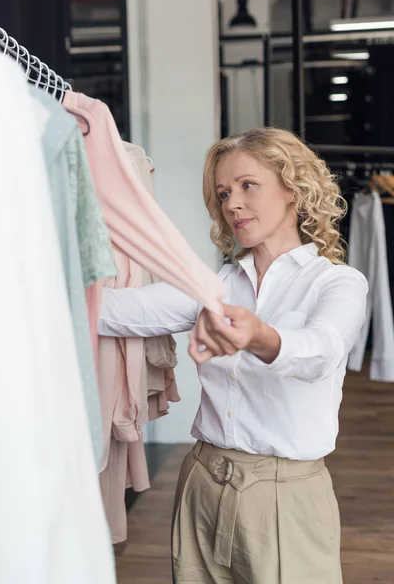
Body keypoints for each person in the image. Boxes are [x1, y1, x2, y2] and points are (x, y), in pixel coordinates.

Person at [99, 128, 367, 584]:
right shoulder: (217, 285)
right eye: (224, 192)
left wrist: (258, 335)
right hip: (202, 481)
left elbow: (320, 351)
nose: (232, 204)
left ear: (292, 187)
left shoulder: (337, 283)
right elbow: (121, 313)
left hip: (285, 495)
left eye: (248, 186)